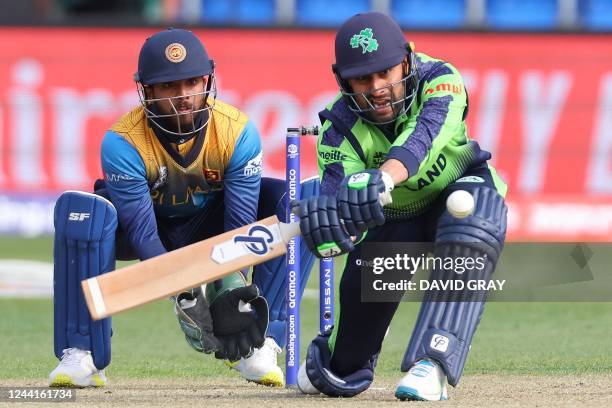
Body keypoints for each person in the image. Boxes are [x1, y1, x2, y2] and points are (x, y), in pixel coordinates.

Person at [49, 28, 316, 388]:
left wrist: (227, 291)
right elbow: (143, 234)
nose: (183, 97)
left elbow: (239, 228)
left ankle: (261, 343)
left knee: (298, 204)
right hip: (150, 229)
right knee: (83, 216)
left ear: (207, 80)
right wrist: (185, 293)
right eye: (169, 87)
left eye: (192, 82)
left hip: (214, 224)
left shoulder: (237, 131)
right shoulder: (122, 141)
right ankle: (81, 354)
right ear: (147, 91)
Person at [294, 12, 508, 401]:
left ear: (406, 62)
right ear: (343, 81)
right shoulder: (337, 129)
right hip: (394, 220)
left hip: (458, 190)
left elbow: (422, 140)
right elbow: (341, 205)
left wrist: (383, 178)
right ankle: (334, 355)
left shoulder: (441, 79)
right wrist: (334, 224)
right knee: (341, 374)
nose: (377, 88)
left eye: (386, 74)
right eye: (363, 79)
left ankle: (434, 362)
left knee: (474, 222)